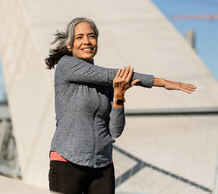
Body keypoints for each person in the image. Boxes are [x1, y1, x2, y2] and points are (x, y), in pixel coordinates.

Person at [45, 17, 196, 194]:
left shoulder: (109, 83)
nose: (87, 41)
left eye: (91, 36)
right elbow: (111, 74)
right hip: (67, 161)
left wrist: (118, 97)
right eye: (79, 37)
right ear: (69, 45)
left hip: (102, 165)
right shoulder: (66, 65)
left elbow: (115, 130)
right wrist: (160, 82)